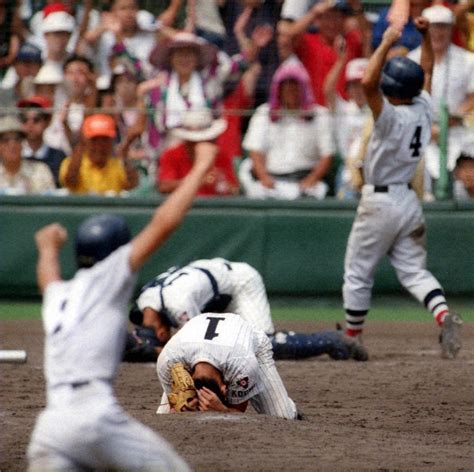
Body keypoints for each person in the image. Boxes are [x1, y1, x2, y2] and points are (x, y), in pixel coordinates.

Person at [27, 139, 218, 471]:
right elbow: (163, 224)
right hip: (95, 418)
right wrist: (200, 168)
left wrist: (47, 247)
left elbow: (48, 278)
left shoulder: (61, 295)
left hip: (50, 427)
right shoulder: (110, 276)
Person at [341, 17, 463, 360]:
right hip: (409, 200)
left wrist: (384, 42)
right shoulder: (423, 105)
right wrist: (423, 35)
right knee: (413, 270)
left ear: (392, 90)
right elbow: (426, 68)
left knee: (358, 271)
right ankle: (442, 314)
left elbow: (367, 81)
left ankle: (353, 338)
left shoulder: (391, 115)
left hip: (379, 202)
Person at [127, 257, 367, 362]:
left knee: (262, 344)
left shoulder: (177, 304)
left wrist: (161, 351)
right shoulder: (143, 302)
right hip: (213, 289)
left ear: (160, 334)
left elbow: (200, 343)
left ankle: (332, 340)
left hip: (240, 283)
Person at [156, 312, 301, 419]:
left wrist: (223, 409)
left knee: (283, 417)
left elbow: (238, 412)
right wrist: (180, 408)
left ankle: (288, 405)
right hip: (195, 339)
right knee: (165, 417)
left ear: (225, 386)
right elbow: (175, 409)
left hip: (251, 343)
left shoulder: (243, 364)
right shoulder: (168, 361)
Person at [239, 60, 335, 199]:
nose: (290, 89)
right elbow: (255, 151)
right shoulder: (264, 113)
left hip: (306, 183)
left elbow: (327, 155)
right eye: (285, 85)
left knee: (318, 192)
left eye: (295, 84)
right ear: (278, 88)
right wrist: (264, 178)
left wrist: (311, 180)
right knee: (255, 190)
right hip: (272, 183)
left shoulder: (320, 115)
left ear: (304, 87)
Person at [407, 5, 474, 188]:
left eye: (443, 27)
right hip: (421, 132)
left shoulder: (468, 59)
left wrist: (447, 122)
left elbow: (472, 97)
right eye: (433, 27)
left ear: (451, 29)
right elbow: (406, 101)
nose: (438, 32)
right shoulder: (412, 60)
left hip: (458, 130)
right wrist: (429, 127)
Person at [157, 109, 239, 196]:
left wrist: (221, 183)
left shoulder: (220, 156)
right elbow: (164, 186)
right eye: (193, 141)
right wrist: (199, 180)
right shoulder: (171, 155)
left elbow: (234, 189)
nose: (198, 144)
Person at [59, 114, 138, 195]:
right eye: (94, 140)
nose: (100, 145)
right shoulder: (70, 163)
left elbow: (133, 184)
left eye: (104, 139)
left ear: (111, 141)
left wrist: (125, 157)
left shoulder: (118, 166)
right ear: (86, 141)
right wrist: (78, 151)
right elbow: (69, 182)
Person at [18, 95, 66, 188]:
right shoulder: (13, 155)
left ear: (48, 121)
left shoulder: (59, 157)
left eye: (36, 120)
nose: (30, 124)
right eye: (24, 120)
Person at [0, 115, 55, 195]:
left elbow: (51, 203)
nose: (12, 145)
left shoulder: (40, 171)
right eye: (5, 140)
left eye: (17, 139)